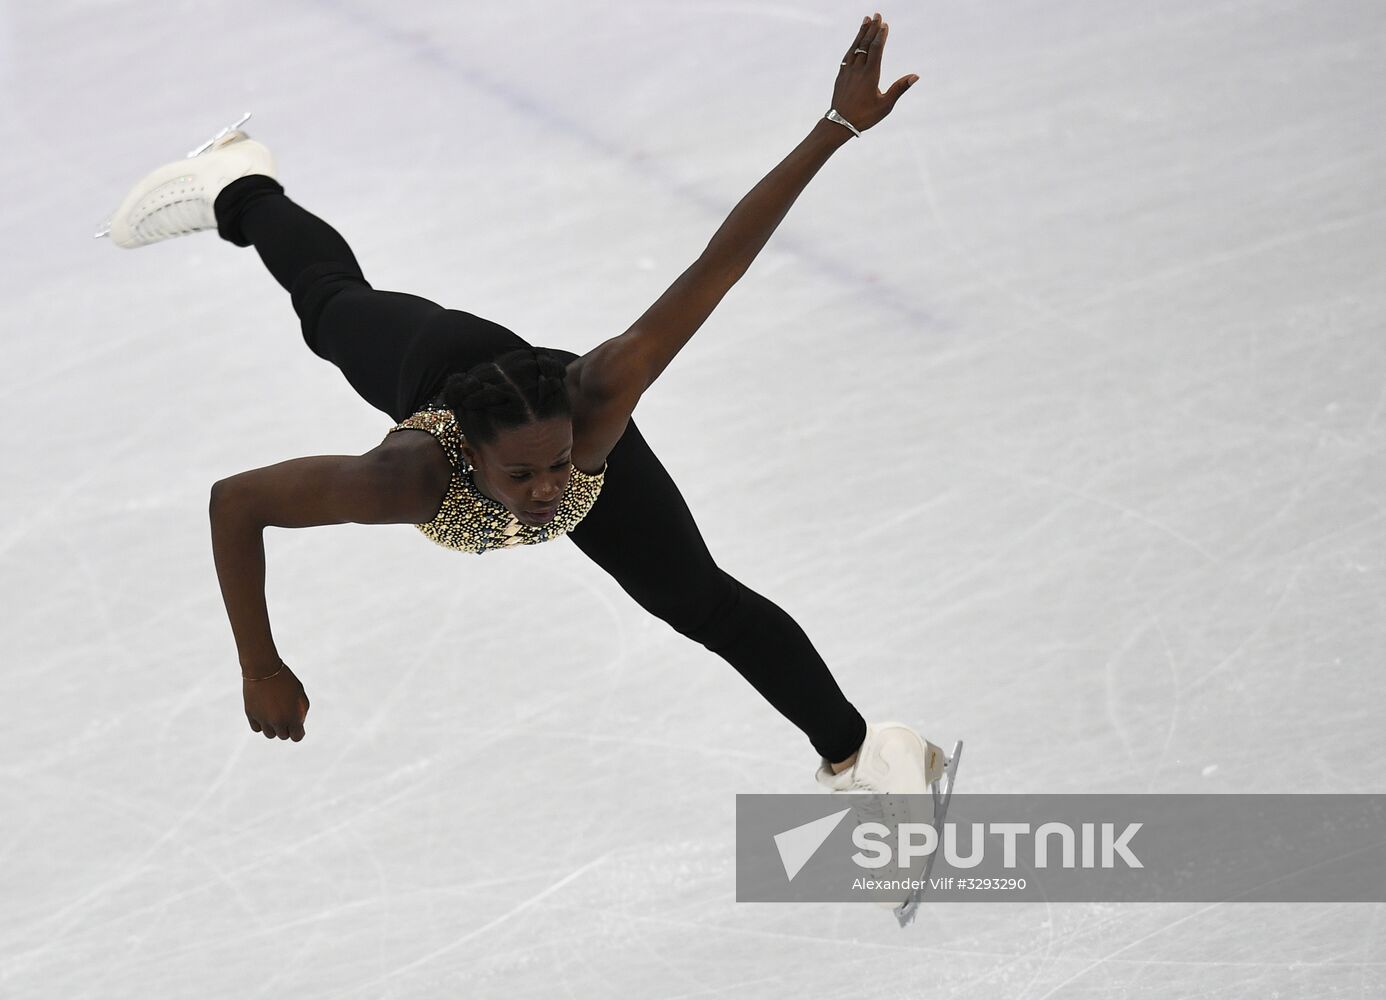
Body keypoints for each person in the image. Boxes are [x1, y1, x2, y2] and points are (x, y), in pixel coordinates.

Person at [98, 14, 948, 814]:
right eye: (525, 474)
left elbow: (718, 265)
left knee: (703, 603)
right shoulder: (406, 477)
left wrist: (835, 126)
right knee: (327, 305)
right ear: (468, 453)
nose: (547, 491)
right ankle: (238, 181)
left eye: (555, 465)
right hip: (429, 359)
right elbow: (235, 502)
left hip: (544, 399)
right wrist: (259, 665)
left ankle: (866, 755)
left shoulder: (598, 403)